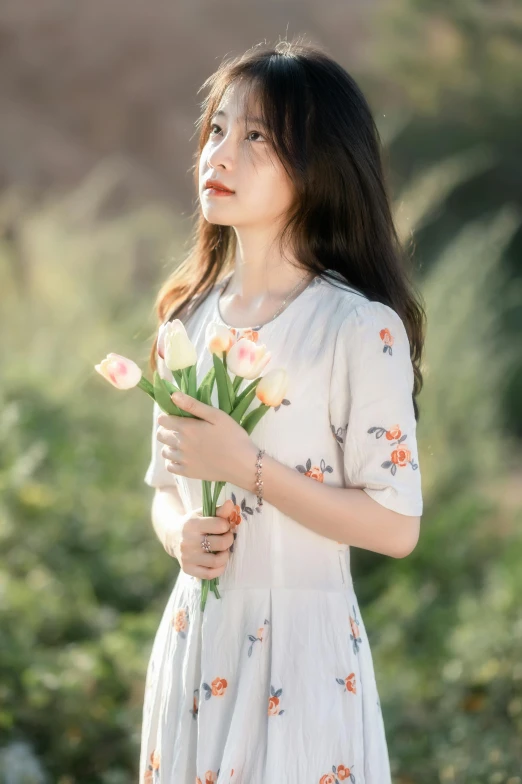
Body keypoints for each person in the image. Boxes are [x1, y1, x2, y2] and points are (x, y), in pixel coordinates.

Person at [139, 38, 425, 784]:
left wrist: (249, 468)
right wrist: (179, 537)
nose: (221, 153)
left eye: (257, 135)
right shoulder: (187, 318)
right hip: (196, 646)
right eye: (218, 129)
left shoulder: (361, 329)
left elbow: (396, 526)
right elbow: (167, 487)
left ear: (320, 163)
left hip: (302, 661)